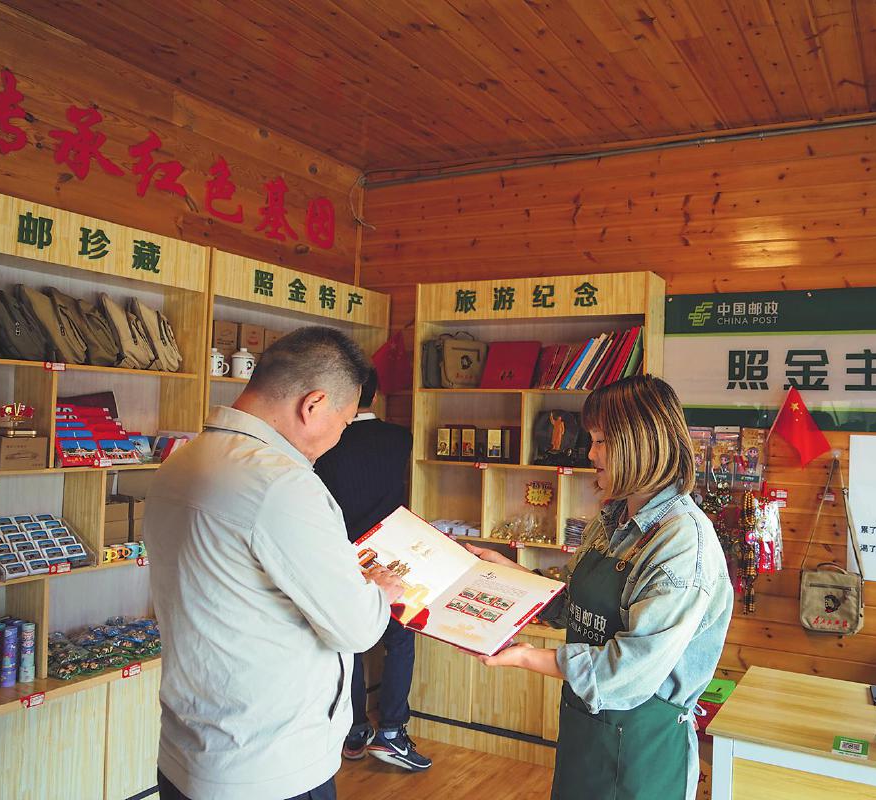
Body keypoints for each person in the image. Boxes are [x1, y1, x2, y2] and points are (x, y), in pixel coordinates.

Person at [145, 327, 404, 800]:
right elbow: (356, 628)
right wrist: (379, 593)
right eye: (344, 424)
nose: (338, 439)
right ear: (314, 405)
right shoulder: (282, 484)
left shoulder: (184, 459)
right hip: (269, 763)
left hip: (192, 748)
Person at [465, 375, 734, 800]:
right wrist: (511, 576)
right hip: (586, 732)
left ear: (640, 443)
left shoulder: (682, 544)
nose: (590, 454)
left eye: (601, 441)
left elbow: (627, 669)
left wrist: (528, 657)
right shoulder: (613, 519)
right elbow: (575, 605)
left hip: (642, 754)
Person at [313, 369, 432, 771]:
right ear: (376, 397)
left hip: (339, 554)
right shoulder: (400, 438)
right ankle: (393, 731)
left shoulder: (326, 440)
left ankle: (354, 729)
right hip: (390, 555)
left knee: (347, 644)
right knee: (399, 641)